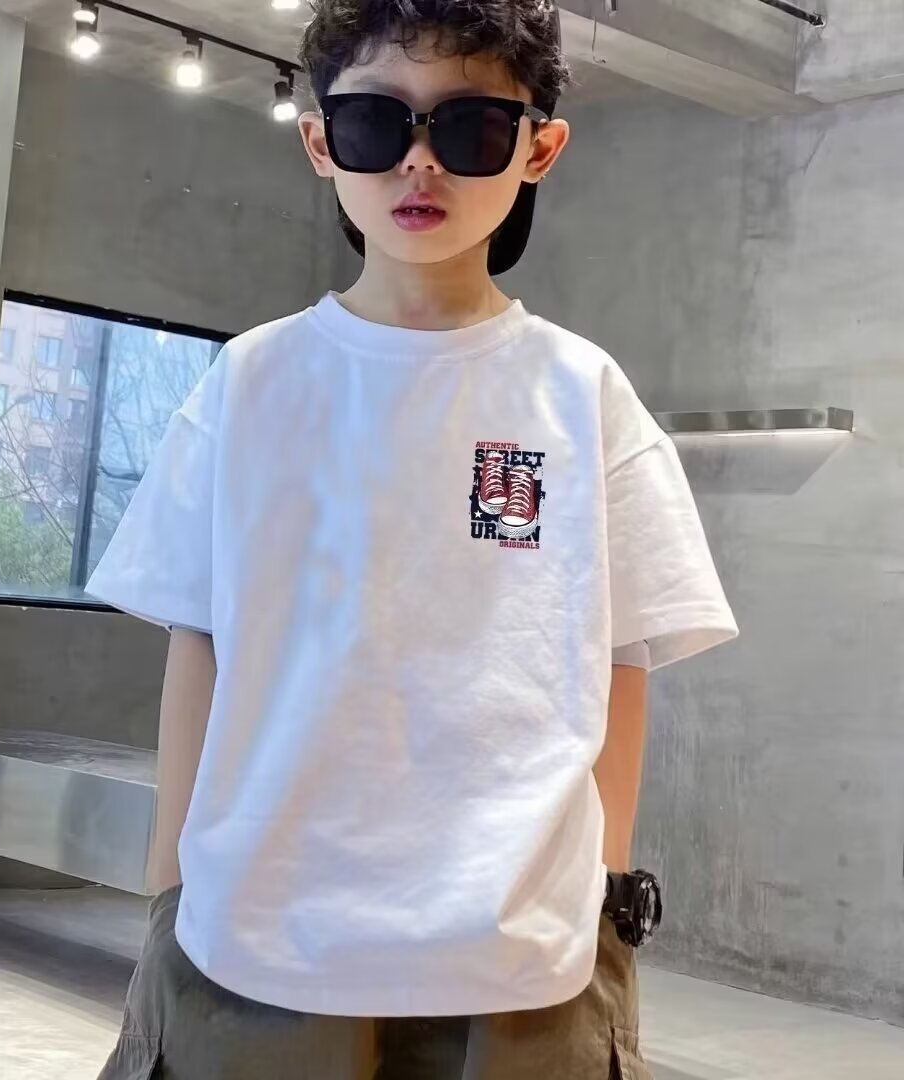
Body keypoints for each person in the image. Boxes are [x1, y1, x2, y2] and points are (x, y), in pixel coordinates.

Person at [89, 2, 738, 1077]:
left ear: (539, 148)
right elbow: (197, 641)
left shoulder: (582, 395)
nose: (419, 163)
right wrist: (170, 888)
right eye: (375, 125)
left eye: (471, 127)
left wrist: (604, 897)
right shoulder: (251, 383)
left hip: (525, 959)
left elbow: (623, 656)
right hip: (255, 942)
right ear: (318, 142)